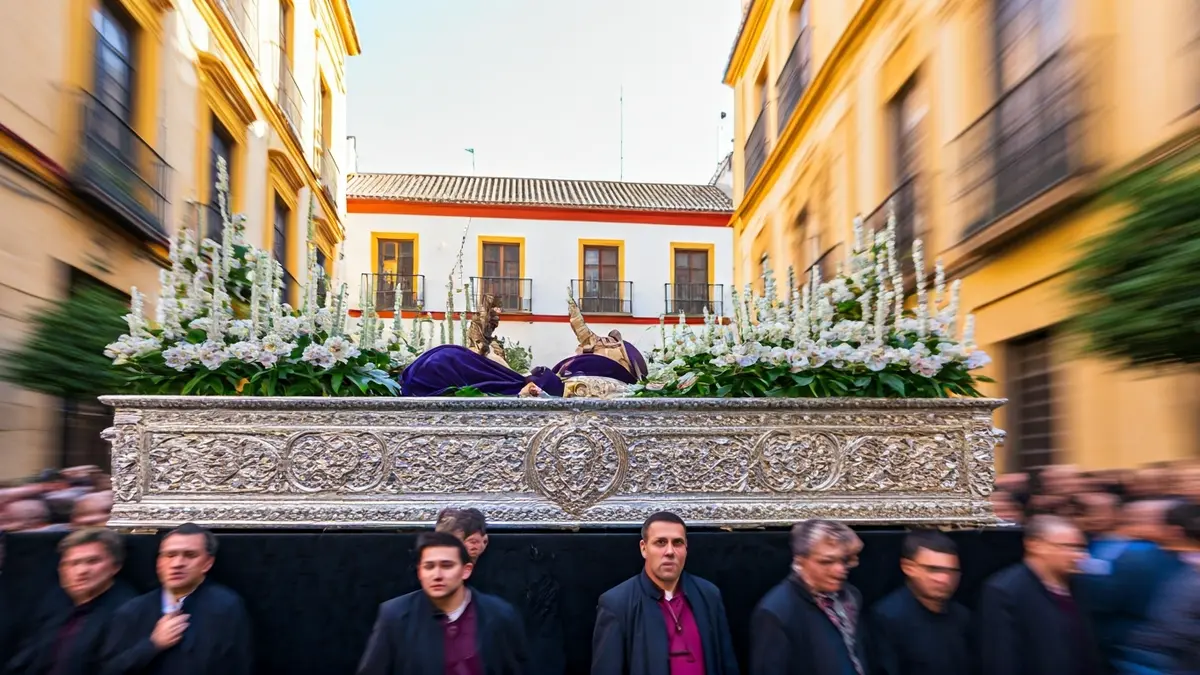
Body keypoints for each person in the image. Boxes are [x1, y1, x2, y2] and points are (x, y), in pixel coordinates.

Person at [357, 531, 528, 675]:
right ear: (419, 572)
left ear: (466, 570)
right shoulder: (395, 615)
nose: (437, 575)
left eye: (446, 566)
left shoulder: (499, 614)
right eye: (429, 566)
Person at [591, 511, 739, 675]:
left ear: (686, 548)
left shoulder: (709, 595)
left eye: (677, 543)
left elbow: (727, 665)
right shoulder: (616, 604)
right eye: (660, 542)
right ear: (644, 548)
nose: (670, 551)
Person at [101, 523, 252, 674]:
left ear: (207, 563)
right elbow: (110, 669)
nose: (177, 564)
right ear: (159, 563)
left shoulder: (225, 607)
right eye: (170, 555)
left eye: (190, 555)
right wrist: (153, 644)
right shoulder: (133, 610)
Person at [979, 515, 1101, 675]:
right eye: (1069, 547)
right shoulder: (1005, 590)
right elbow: (1000, 659)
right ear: (1035, 545)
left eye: (1081, 548)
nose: (1081, 556)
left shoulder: (1076, 585)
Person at [6, 528, 137, 675]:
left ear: (115, 566)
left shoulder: (128, 611)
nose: (81, 571)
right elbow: (24, 659)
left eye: (92, 561)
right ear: (61, 570)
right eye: (73, 563)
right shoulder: (53, 603)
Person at [749, 519, 867, 675]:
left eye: (842, 560)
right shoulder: (776, 612)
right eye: (826, 562)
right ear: (800, 561)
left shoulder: (850, 595)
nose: (839, 569)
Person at [868, 530, 970, 675]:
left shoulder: (963, 617)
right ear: (908, 567)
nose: (944, 579)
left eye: (952, 571)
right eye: (933, 569)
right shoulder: (887, 618)